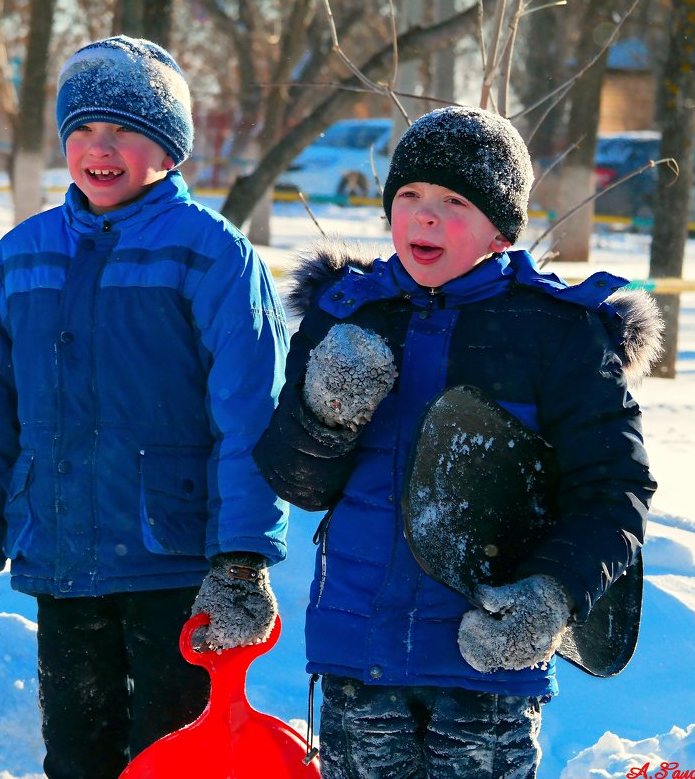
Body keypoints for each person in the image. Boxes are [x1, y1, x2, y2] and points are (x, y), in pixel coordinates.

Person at [253, 105, 663, 779]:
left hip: (488, 668)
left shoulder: (559, 332)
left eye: (453, 201)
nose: (425, 216)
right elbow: (299, 484)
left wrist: (551, 595)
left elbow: (614, 490)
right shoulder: (347, 312)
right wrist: (324, 415)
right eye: (409, 196)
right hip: (360, 659)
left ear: (500, 228)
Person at [0, 36, 290, 779]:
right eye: (84, 129)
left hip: (177, 568)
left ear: (168, 147)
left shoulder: (210, 255)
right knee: (76, 758)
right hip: (62, 558)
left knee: (172, 759)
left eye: (125, 129)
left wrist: (240, 560)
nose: (101, 147)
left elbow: (250, 418)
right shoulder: (21, 257)